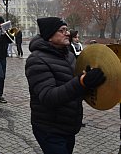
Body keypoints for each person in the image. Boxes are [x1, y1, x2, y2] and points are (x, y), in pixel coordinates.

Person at [25, 17, 106, 154]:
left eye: (67, 30)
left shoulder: (68, 56)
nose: (67, 33)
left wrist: (89, 80)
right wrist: (81, 82)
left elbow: (74, 87)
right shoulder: (36, 60)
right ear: (50, 36)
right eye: (62, 30)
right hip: (49, 128)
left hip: (68, 125)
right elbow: (48, 97)